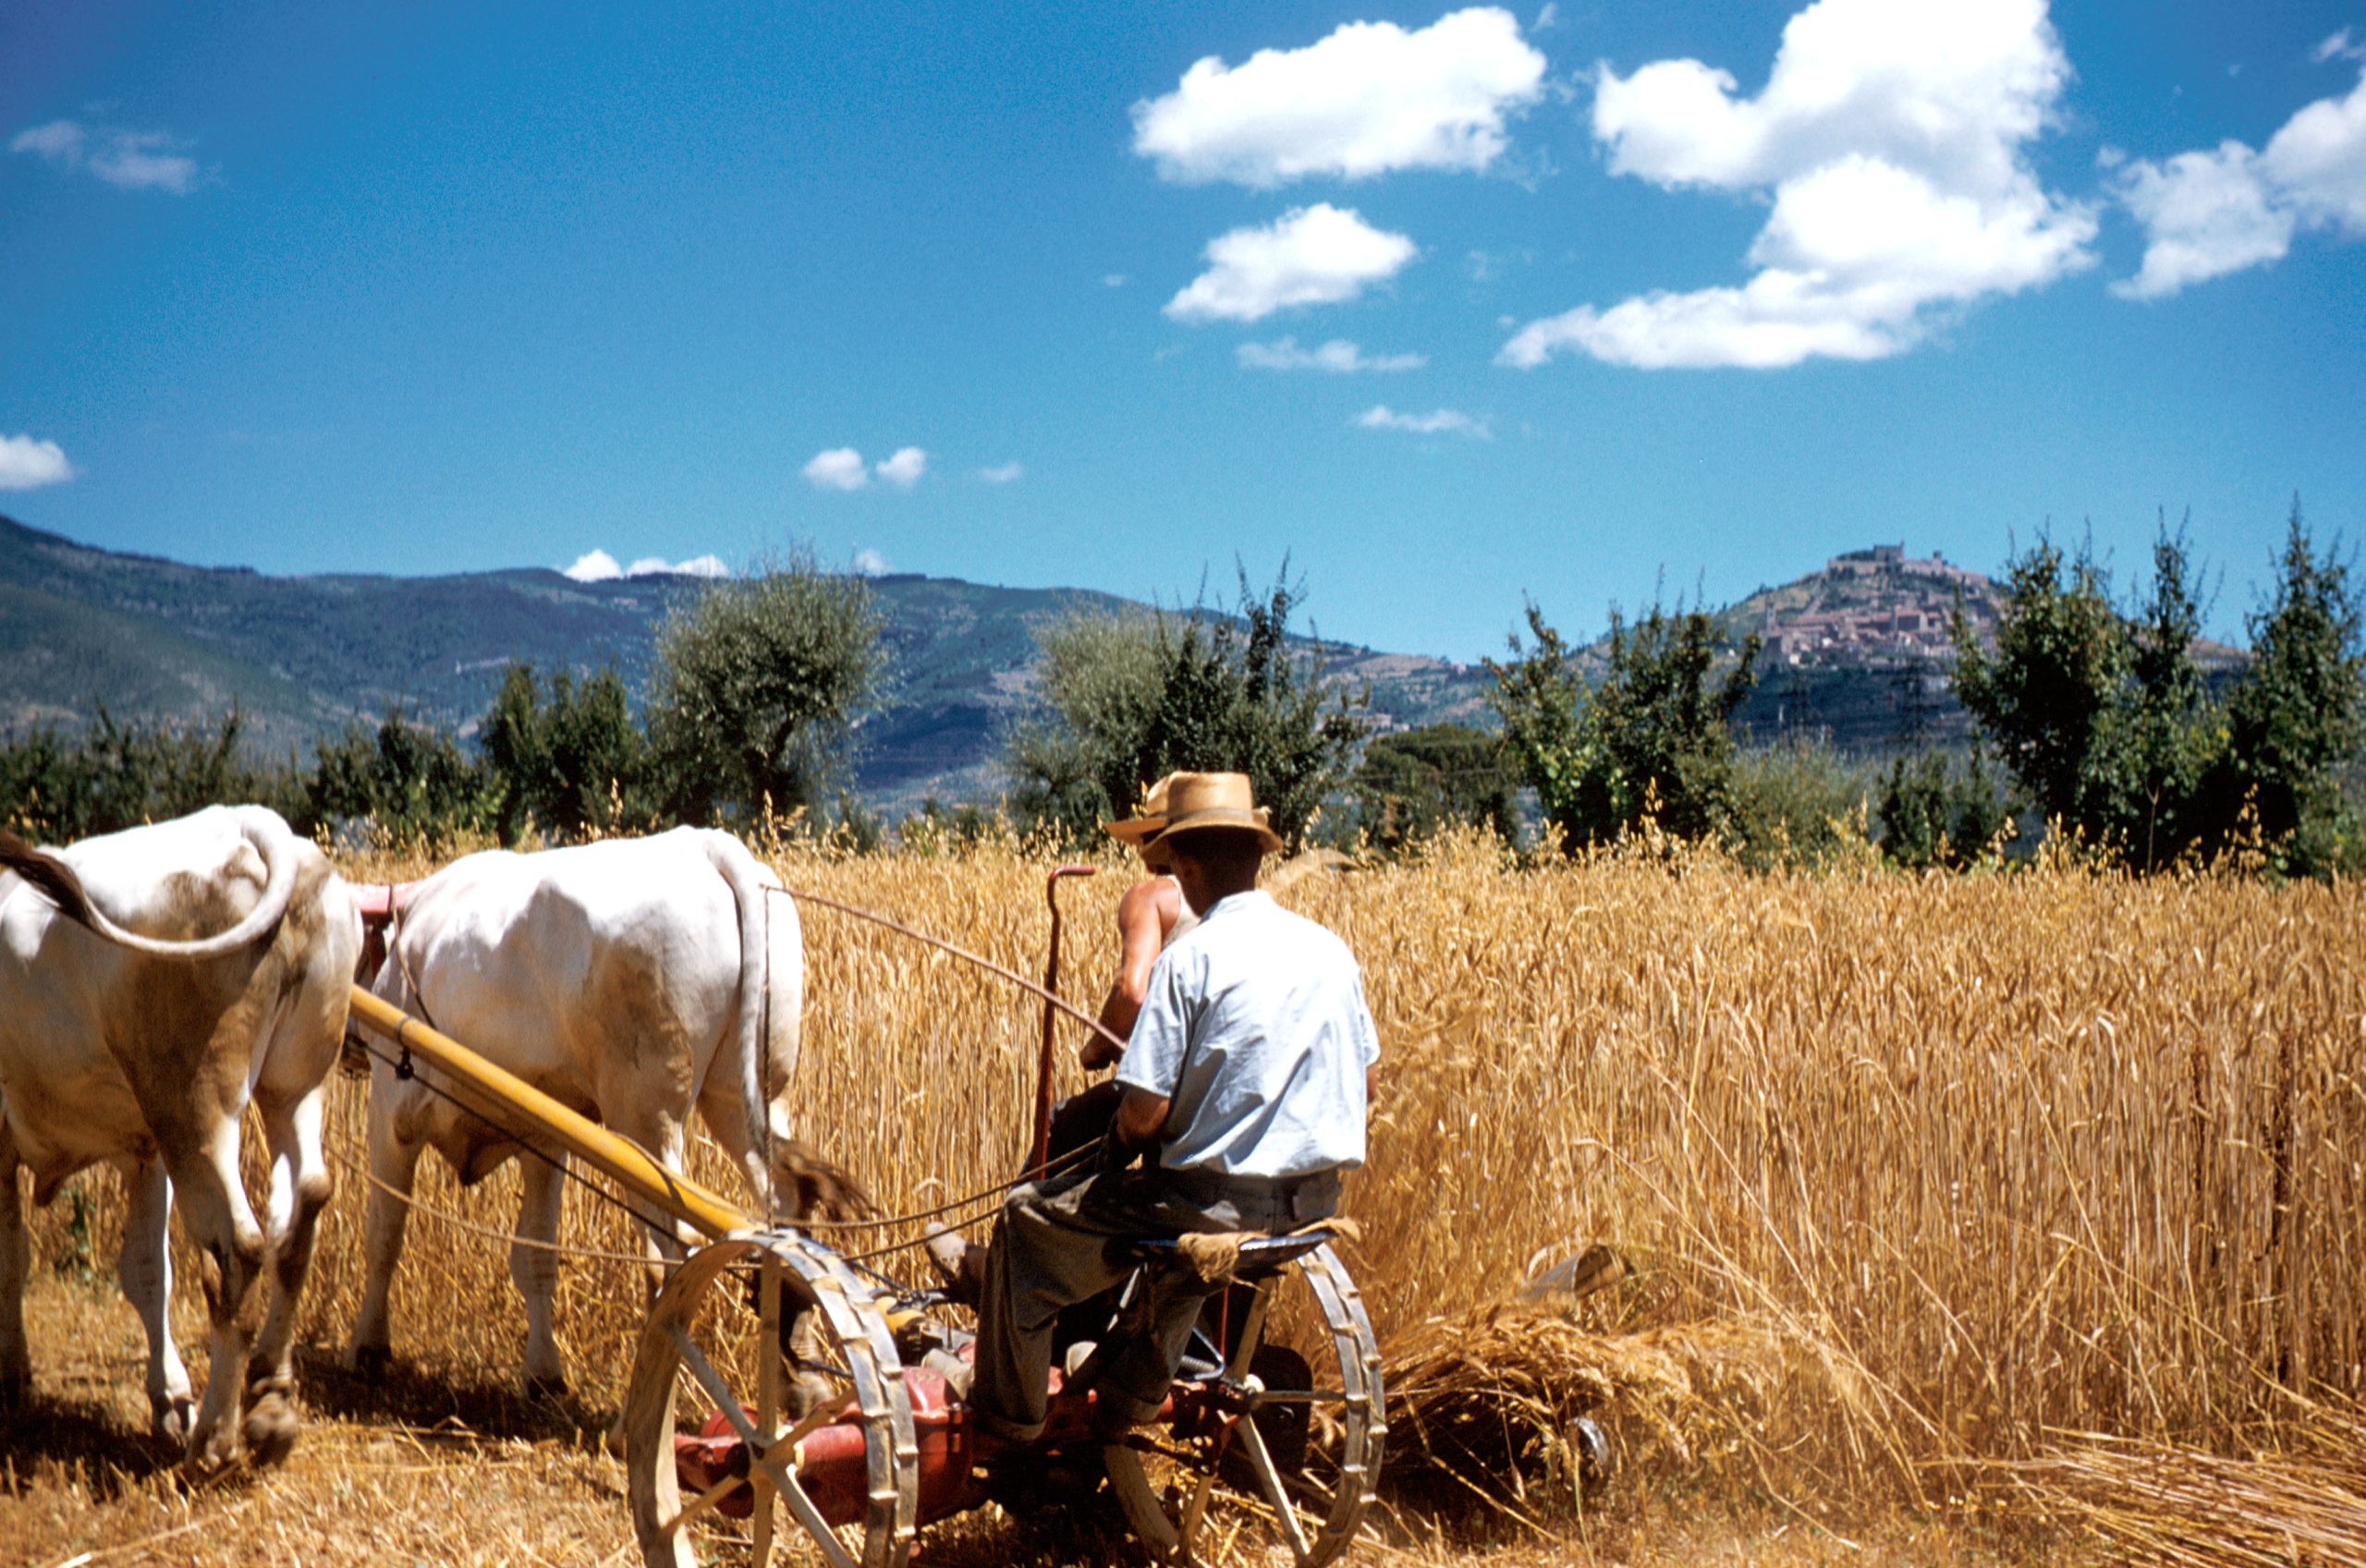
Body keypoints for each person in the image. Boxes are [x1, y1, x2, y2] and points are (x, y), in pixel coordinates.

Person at [968, 772, 1381, 1457]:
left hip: (1208, 1211)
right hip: (1312, 1207)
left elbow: (1144, 1112)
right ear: (1256, 858)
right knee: (1183, 1239)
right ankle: (1129, 1392)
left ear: (1185, 867)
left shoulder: (1189, 960)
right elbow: (1365, 1087)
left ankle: (1009, 1419)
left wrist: (1114, 1149)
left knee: (1025, 1223)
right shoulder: (1330, 951)